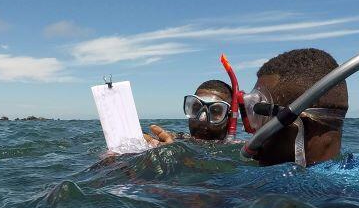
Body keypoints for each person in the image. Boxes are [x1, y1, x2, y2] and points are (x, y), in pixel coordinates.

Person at [145, 48, 348, 167]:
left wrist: (178, 162)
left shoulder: (296, 190)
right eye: (195, 107)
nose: (254, 131)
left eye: (257, 116)